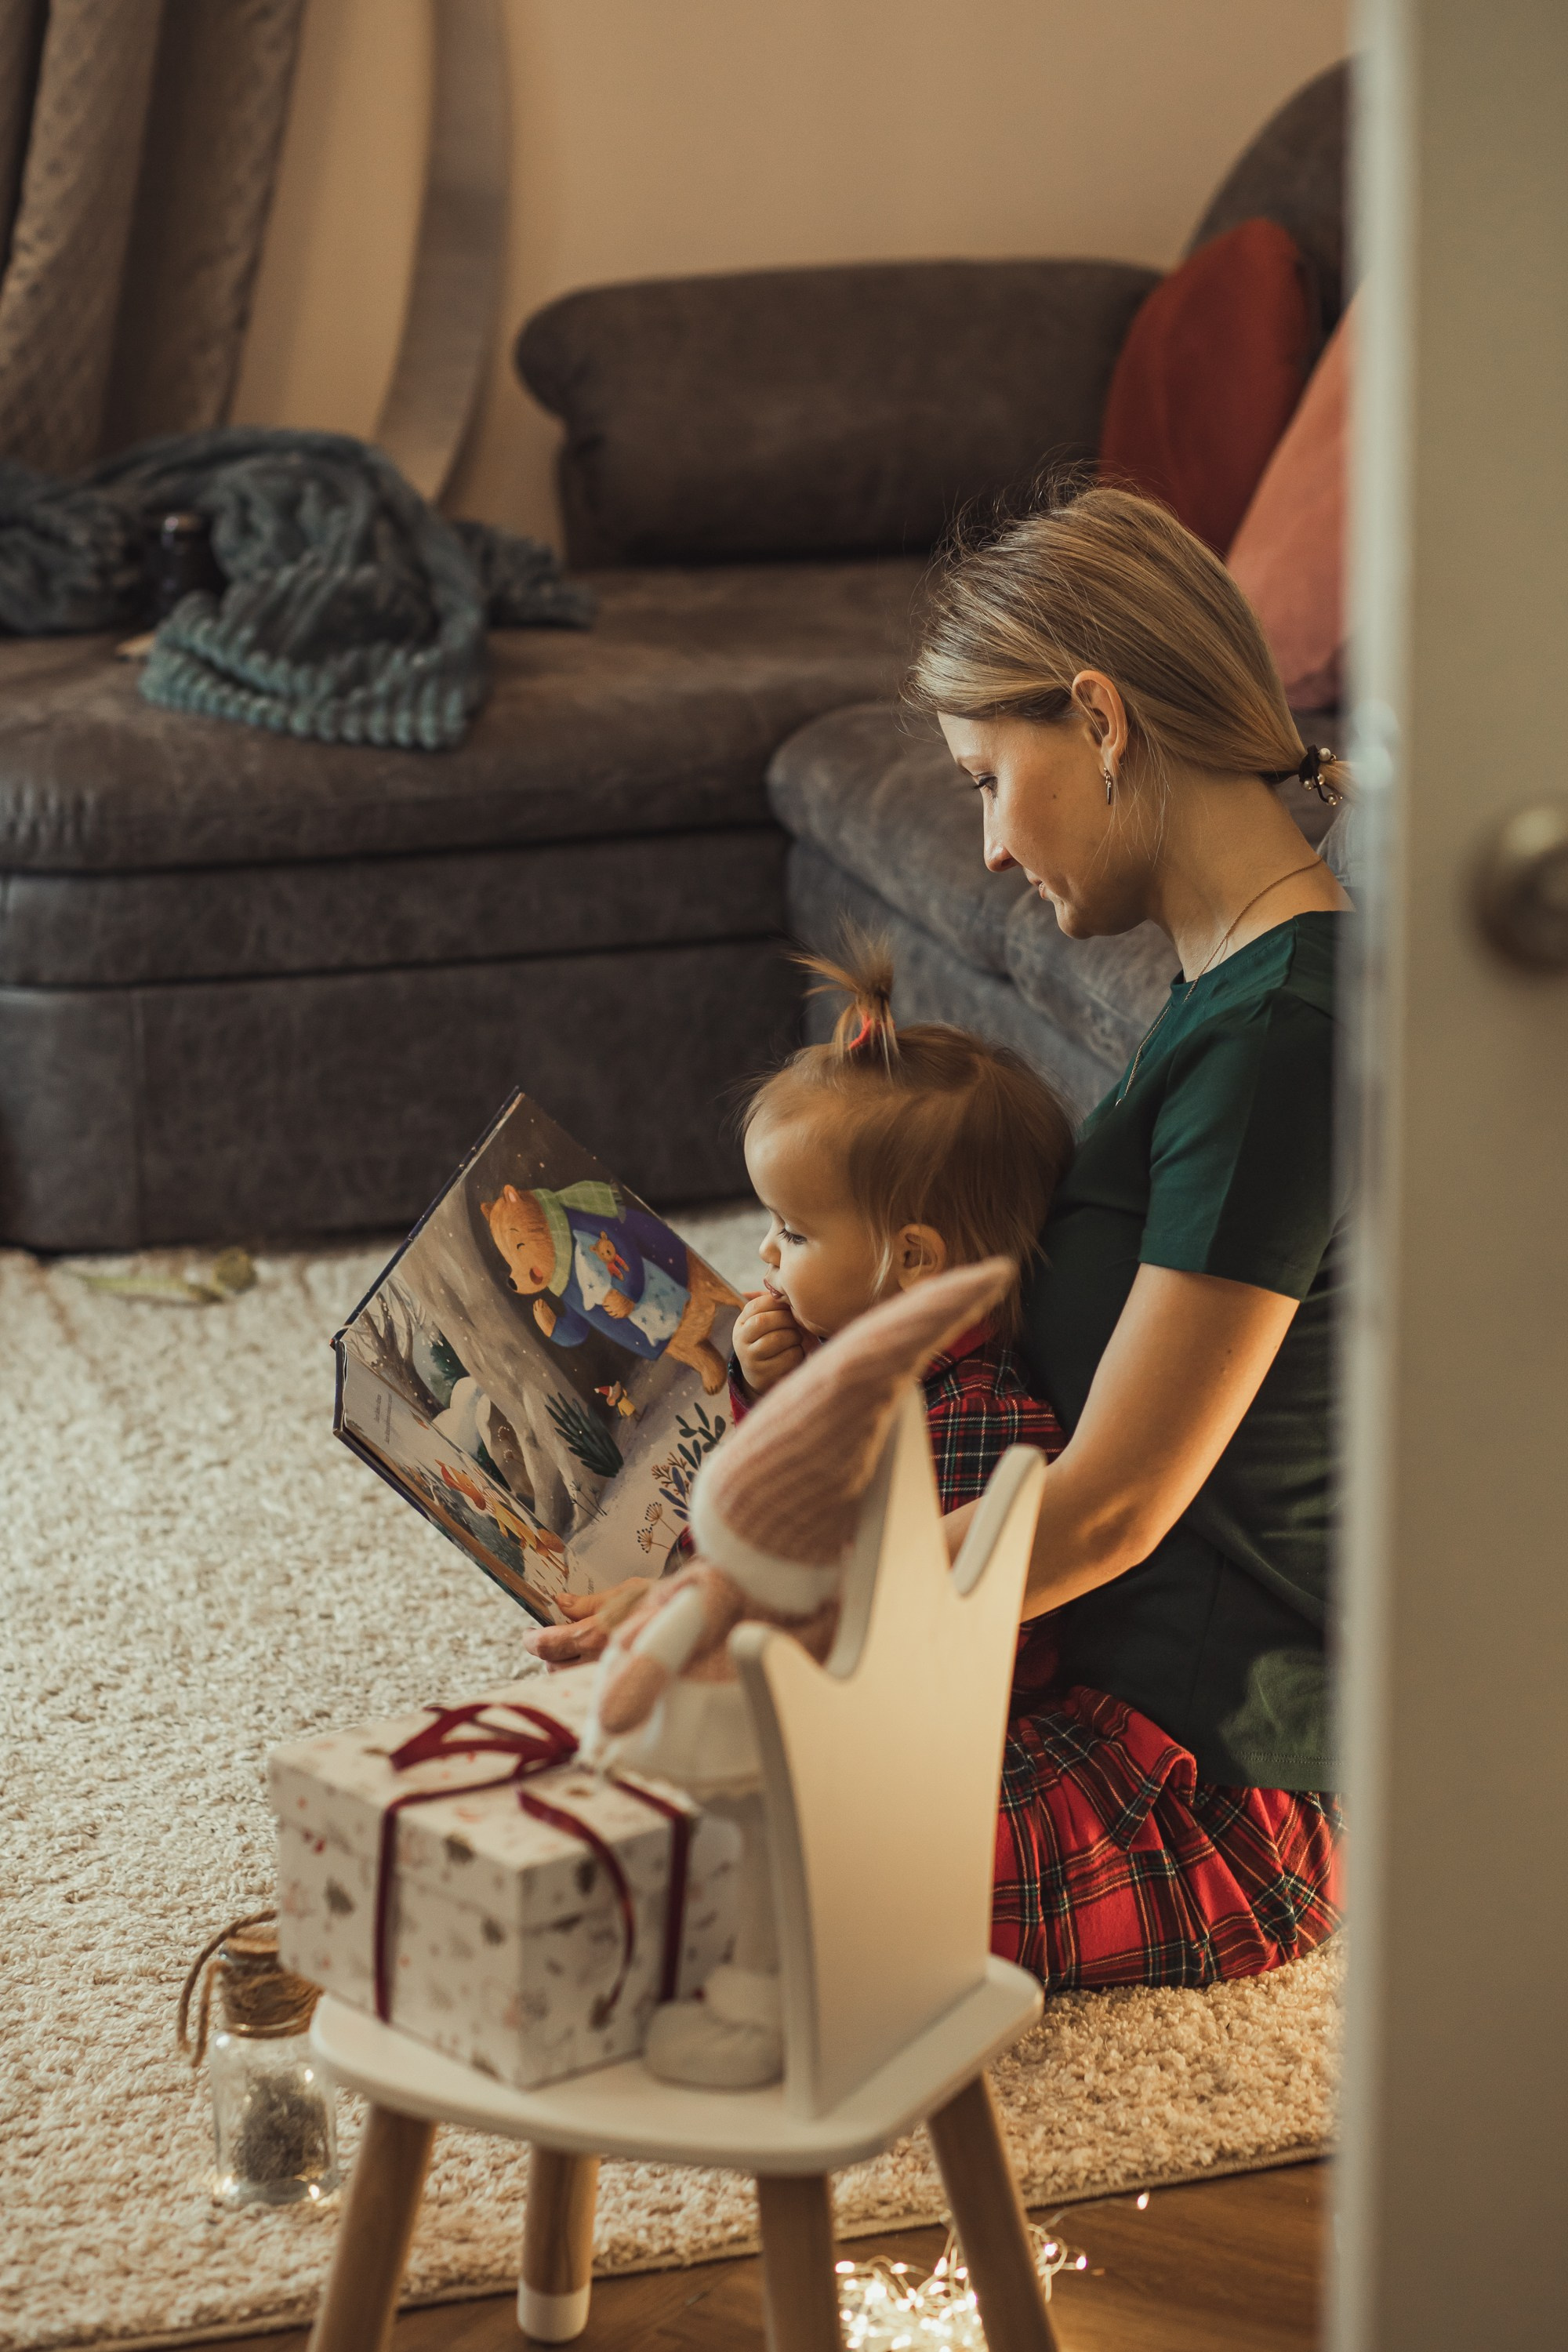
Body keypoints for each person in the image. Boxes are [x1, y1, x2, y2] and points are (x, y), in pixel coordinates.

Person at [539, 481, 1351, 1994]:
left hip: (1195, 1789)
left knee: (679, 1879)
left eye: (985, 775)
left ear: (1099, 717)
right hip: (1050, 1693)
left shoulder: (1279, 1041)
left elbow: (1109, 1508)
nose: (982, 845)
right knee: (639, 1797)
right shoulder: (1229, 1000)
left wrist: (757, 1608)